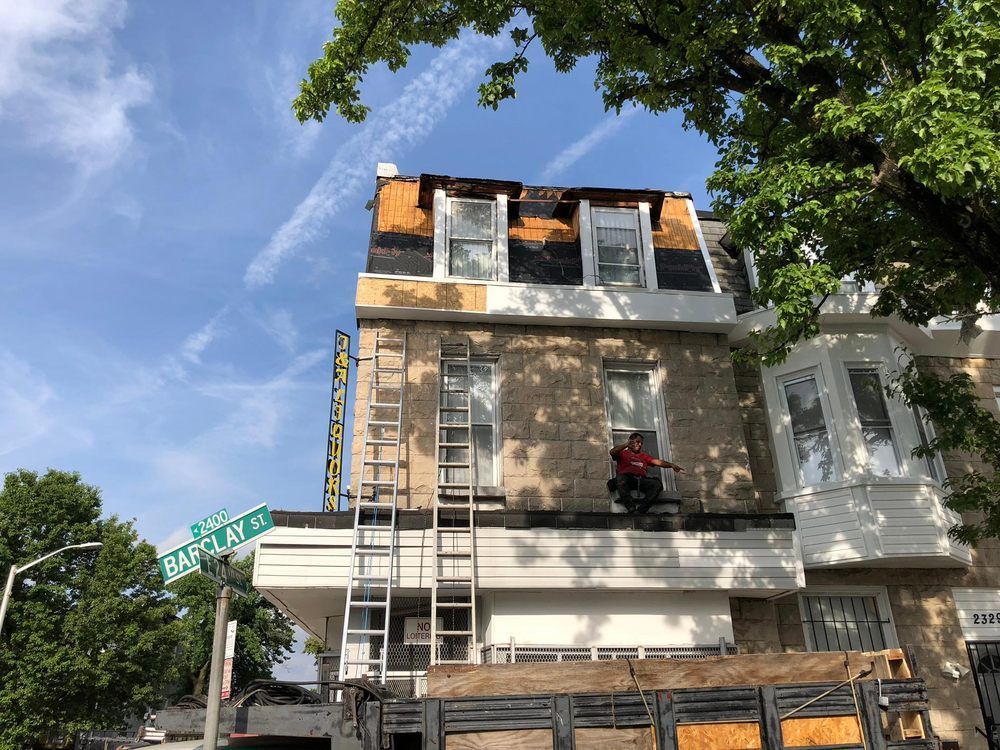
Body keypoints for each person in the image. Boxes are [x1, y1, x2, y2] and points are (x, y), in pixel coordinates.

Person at [609, 433, 685, 513]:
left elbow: (657, 462)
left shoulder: (643, 456)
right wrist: (626, 444)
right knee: (620, 478)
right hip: (627, 479)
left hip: (641, 480)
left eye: (641, 443)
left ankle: (641, 510)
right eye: (637, 442)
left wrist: (671, 465)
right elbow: (612, 452)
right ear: (630, 441)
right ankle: (631, 507)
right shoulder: (623, 453)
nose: (640, 444)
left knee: (656, 484)